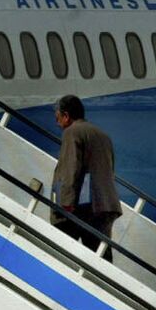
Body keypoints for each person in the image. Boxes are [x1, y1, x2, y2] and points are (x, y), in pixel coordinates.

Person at [51, 94, 120, 245]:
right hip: (106, 205)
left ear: (66, 116)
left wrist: (65, 205)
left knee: (65, 255)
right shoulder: (103, 136)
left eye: (58, 118)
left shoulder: (72, 132)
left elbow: (70, 170)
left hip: (83, 207)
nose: (58, 123)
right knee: (100, 258)